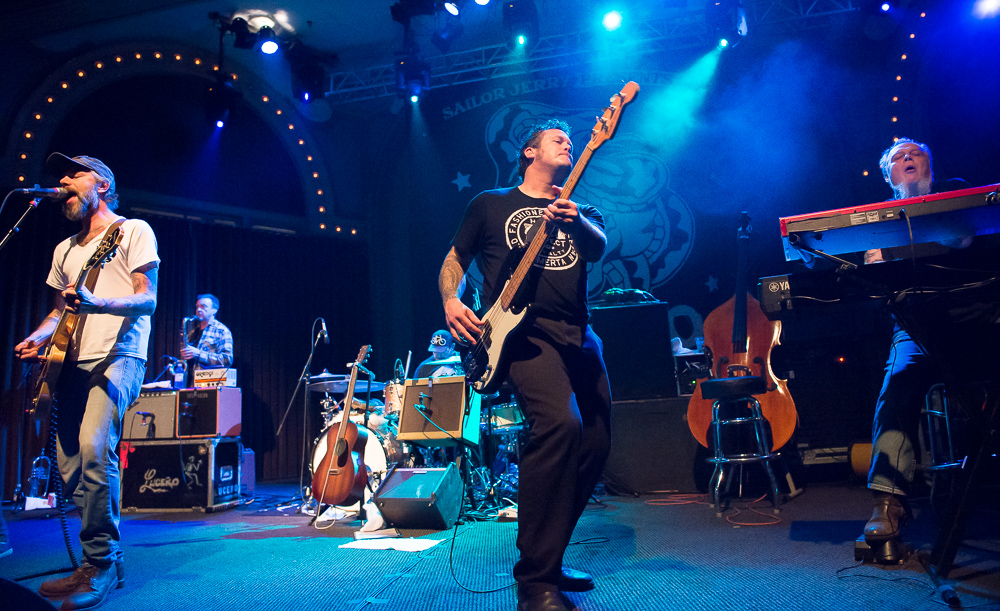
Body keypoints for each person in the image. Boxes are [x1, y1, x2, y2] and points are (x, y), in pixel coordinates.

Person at [440, 119, 612, 611]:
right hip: (520, 335)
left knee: (596, 441)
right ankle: (535, 580)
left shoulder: (578, 206)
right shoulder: (490, 205)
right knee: (559, 425)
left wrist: (574, 219)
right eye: (556, 138)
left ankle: (550, 556)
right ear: (529, 151)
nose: (568, 141)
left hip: (579, 333)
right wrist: (451, 299)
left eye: (571, 139)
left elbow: (598, 247)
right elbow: (454, 258)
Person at [14, 153, 159, 609]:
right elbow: (59, 312)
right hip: (68, 361)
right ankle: (98, 561)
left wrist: (99, 303)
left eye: (73, 173)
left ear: (102, 183)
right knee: (72, 466)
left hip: (119, 355)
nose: (62, 180)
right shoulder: (64, 249)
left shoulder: (133, 230)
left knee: (97, 450)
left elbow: (148, 300)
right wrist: (35, 338)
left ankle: (101, 563)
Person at [863, 138, 968, 557]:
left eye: (915, 154)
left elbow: (961, 239)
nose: (907, 159)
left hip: (974, 317)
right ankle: (887, 504)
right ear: (889, 177)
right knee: (898, 387)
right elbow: (874, 274)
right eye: (898, 158)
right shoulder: (879, 222)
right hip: (916, 327)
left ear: (930, 164)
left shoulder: (957, 191)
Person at [180, 294, 233, 384]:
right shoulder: (192, 333)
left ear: (214, 310)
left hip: (208, 384)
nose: (199, 310)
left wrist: (198, 353)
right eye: (197, 307)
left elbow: (227, 360)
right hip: (189, 384)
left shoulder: (222, 331)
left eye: (203, 307)